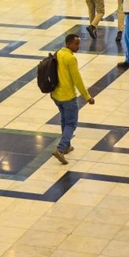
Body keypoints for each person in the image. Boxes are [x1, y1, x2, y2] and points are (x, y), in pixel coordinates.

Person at [50, 34, 94, 165]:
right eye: (76, 44)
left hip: (56, 95)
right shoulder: (70, 59)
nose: (78, 47)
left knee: (64, 120)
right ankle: (60, 149)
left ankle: (67, 146)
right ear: (68, 43)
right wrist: (87, 97)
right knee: (71, 124)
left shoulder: (58, 53)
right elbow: (77, 80)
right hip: (68, 97)